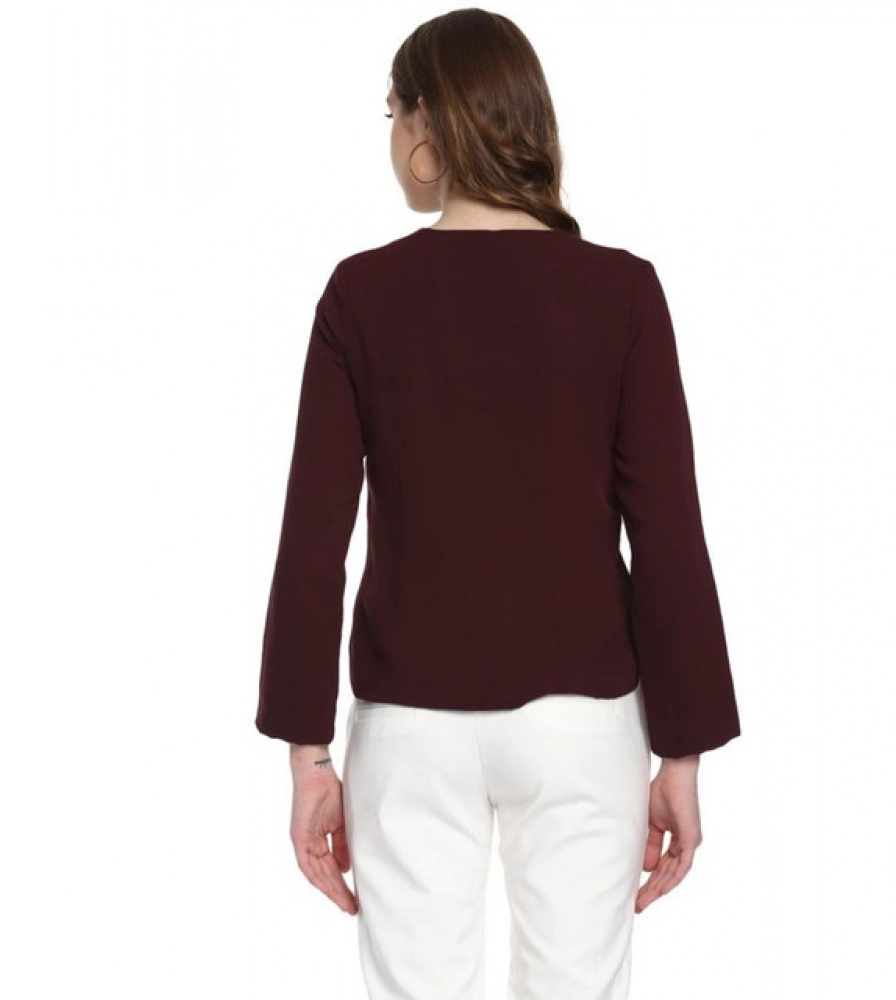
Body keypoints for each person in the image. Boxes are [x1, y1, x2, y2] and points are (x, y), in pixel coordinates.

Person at [254, 8, 741, 999]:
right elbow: (669, 537)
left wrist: (309, 754)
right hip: (582, 724)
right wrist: (681, 753)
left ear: (429, 125)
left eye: (392, 113)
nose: (391, 136)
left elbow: (312, 539)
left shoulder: (361, 295)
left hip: (408, 725)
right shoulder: (622, 293)